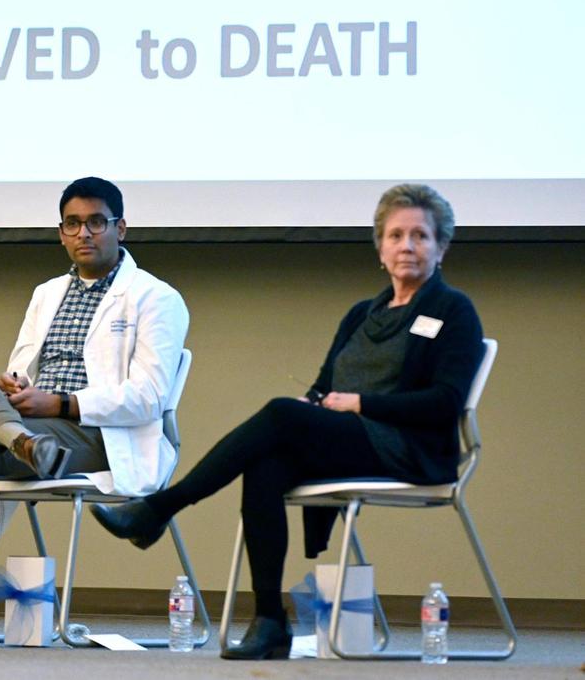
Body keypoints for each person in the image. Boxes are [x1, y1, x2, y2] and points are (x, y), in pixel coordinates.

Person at [91, 183, 484, 660]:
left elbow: (445, 402)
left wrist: (359, 404)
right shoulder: (364, 314)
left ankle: (160, 508)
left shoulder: (452, 310)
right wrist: (315, 403)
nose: (407, 246)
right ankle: (270, 621)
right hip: (355, 441)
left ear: (441, 247)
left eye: (420, 236)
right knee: (267, 464)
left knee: (280, 414)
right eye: (396, 235)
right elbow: (324, 387)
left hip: (411, 449)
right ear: (380, 247)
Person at [0, 177, 190, 647]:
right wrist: (16, 386)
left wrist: (62, 404)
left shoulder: (156, 298)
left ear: (122, 228)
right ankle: (20, 440)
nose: (85, 234)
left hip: (100, 436)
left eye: (97, 222)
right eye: (73, 224)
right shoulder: (47, 293)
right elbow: (22, 366)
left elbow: (150, 395)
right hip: (36, 431)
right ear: (61, 233)